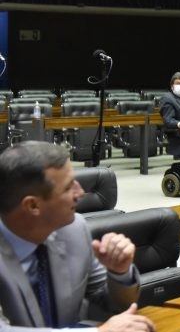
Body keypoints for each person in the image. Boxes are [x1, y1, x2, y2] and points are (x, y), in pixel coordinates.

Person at [0, 141, 155, 332]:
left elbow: (110, 304)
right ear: (33, 206)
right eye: (68, 188)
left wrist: (119, 273)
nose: (80, 192)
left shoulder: (73, 230)